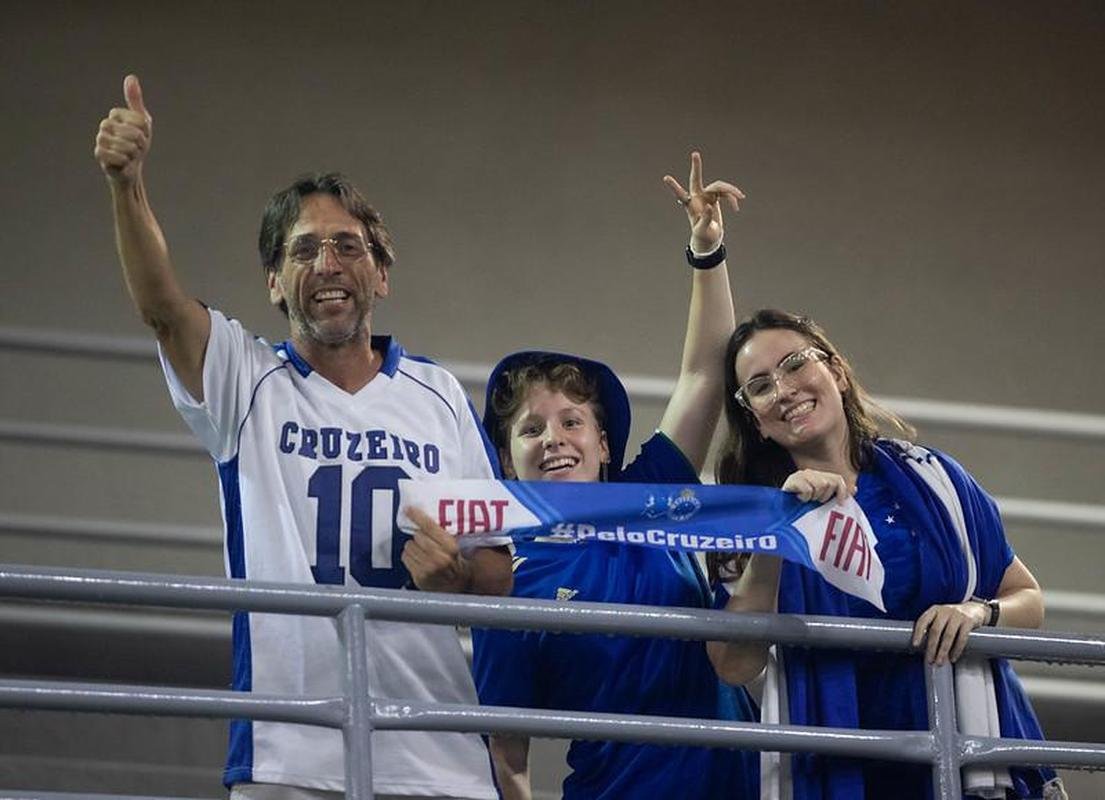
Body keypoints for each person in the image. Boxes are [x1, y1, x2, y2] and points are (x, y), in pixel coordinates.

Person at [93, 74, 512, 800]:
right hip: (288, 750)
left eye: (348, 246)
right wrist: (127, 185)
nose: (327, 264)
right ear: (273, 282)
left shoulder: (440, 396)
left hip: (436, 751)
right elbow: (162, 307)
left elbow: (500, 570)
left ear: (382, 275)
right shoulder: (244, 379)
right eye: (304, 249)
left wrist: (459, 577)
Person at [471, 153, 759, 800]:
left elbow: (704, 376)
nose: (553, 439)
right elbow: (506, 753)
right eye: (530, 429)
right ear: (506, 462)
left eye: (571, 421)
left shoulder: (648, 493)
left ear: (603, 444)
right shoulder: (507, 578)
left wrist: (707, 251)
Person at [706, 309, 1067, 800]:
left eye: (794, 364)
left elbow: (1028, 599)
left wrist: (977, 612)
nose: (784, 390)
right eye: (761, 386)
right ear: (756, 421)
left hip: (966, 753)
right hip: (841, 768)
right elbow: (732, 664)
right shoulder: (754, 519)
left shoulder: (936, 479)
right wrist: (778, 529)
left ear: (836, 372)